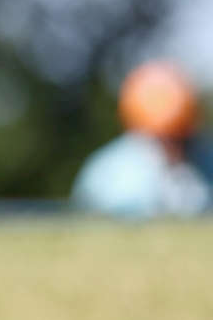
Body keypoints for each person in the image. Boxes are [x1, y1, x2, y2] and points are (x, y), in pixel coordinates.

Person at [71, 61, 213, 219]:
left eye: (179, 138)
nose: (174, 147)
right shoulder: (108, 174)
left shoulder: (207, 162)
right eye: (163, 139)